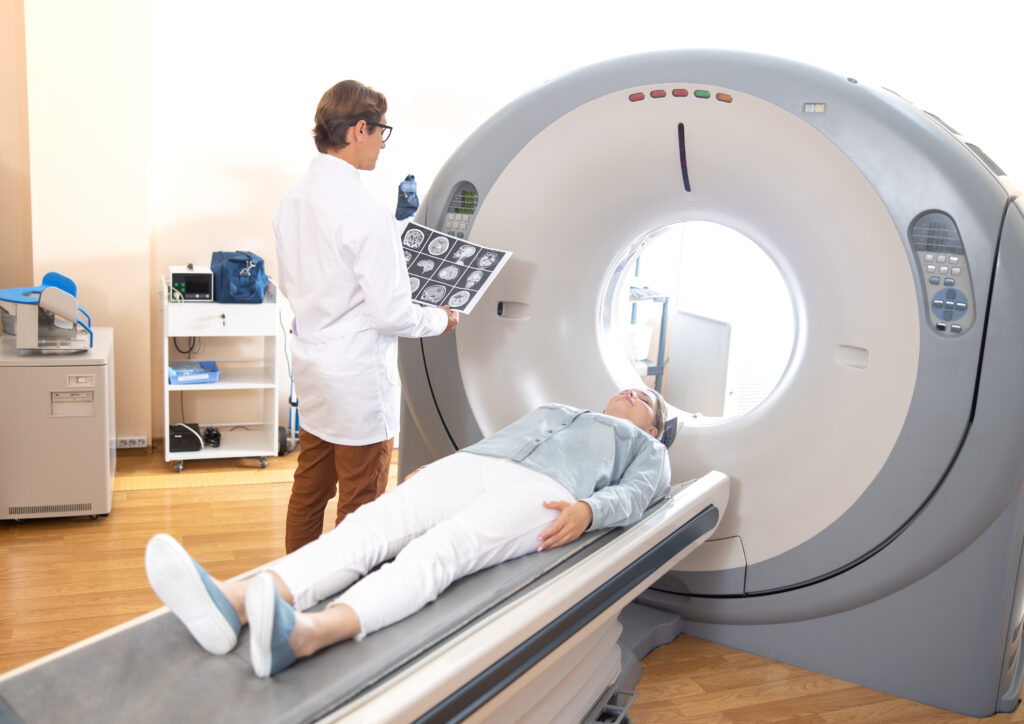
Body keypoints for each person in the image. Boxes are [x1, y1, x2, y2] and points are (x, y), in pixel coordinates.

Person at [145, 388, 671, 678]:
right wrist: (445, 463)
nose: (632, 390)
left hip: (548, 491)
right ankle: (232, 602)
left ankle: (307, 636)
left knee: (438, 552)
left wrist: (587, 510)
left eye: (646, 396)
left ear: (652, 426)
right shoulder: (557, 407)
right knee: (369, 524)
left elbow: (638, 495)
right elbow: (499, 437)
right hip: (477, 463)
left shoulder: (648, 449)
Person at [274, 80, 459, 554]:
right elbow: (392, 313)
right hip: (356, 380)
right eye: (381, 131)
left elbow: (319, 275)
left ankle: (294, 585)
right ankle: (347, 606)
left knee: (310, 489)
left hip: (313, 368)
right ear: (359, 129)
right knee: (362, 504)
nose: (382, 142)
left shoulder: (292, 201)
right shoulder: (366, 212)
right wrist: (441, 319)